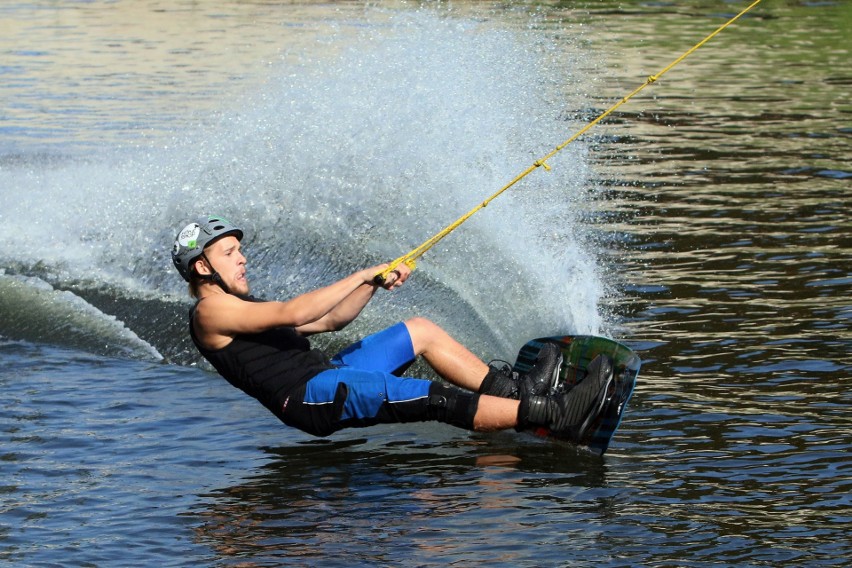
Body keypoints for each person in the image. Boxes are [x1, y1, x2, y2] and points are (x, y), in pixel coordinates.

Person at [171, 215, 613, 441]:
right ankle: (557, 416)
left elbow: (328, 319)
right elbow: (291, 313)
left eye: (239, 250)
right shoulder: (211, 312)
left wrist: (374, 286)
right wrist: (361, 273)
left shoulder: (239, 304)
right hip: (310, 397)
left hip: (325, 373)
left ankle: (514, 394)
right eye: (230, 253)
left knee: (418, 330)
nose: (242, 258)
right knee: (433, 398)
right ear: (203, 266)